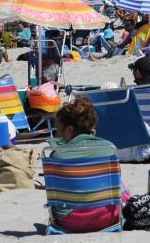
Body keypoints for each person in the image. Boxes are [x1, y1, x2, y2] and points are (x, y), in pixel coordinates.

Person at [47, 98, 121, 233]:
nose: (57, 135)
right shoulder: (110, 149)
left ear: (69, 129)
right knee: (121, 186)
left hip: (70, 222)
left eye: (58, 130)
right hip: (106, 218)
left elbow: (56, 197)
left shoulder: (57, 156)